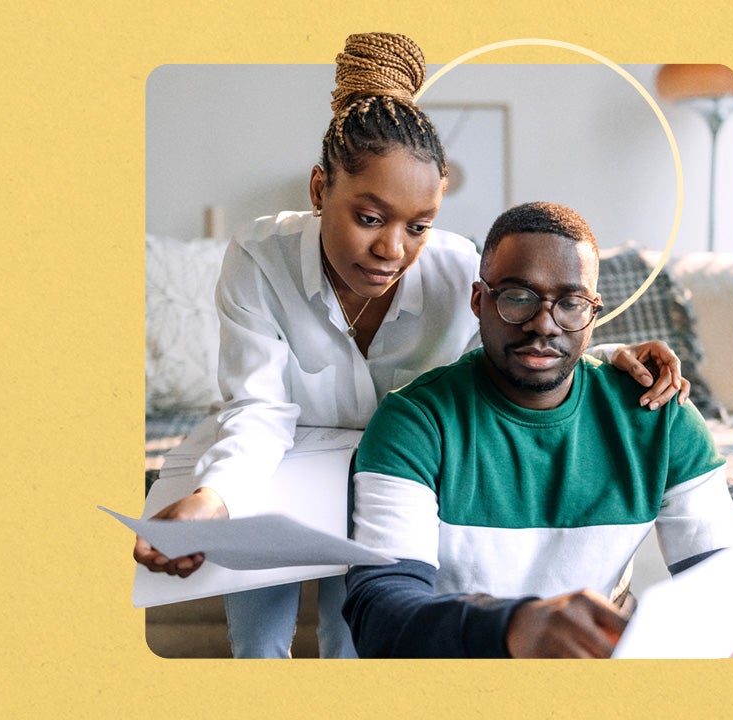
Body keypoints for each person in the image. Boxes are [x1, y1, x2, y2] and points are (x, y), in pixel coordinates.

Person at [133, 34, 691, 659]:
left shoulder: (456, 273)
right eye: (369, 218)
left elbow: (520, 346)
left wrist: (606, 360)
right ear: (320, 191)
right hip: (275, 463)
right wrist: (216, 496)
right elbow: (257, 409)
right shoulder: (259, 258)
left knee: (359, 639)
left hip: (392, 473)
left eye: (418, 225)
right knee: (258, 640)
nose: (393, 250)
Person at [343, 202, 733, 658]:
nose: (544, 324)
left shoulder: (660, 416)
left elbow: (728, 571)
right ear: (480, 300)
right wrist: (513, 627)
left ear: (593, 313)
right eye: (517, 296)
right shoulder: (414, 422)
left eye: (571, 304)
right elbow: (380, 614)